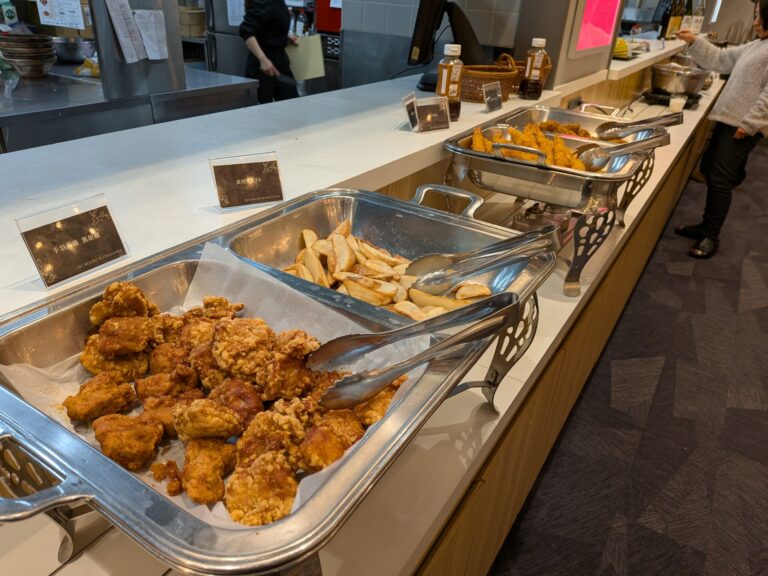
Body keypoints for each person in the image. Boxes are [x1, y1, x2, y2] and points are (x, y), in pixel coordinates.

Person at [675, 1, 768, 259]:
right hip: (728, 121)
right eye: (756, 16)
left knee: (720, 180)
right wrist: (694, 41)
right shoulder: (757, 45)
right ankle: (706, 225)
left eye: (760, 17)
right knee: (709, 170)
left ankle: (710, 236)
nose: (755, 22)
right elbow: (721, 59)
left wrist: (748, 125)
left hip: (741, 126)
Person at [239, 0, 300, 104]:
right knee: (262, 114)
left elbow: (269, 23)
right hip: (262, 66)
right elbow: (246, 31)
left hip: (280, 63)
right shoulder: (263, 2)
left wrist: (283, 36)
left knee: (293, 107)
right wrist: (263, 59)